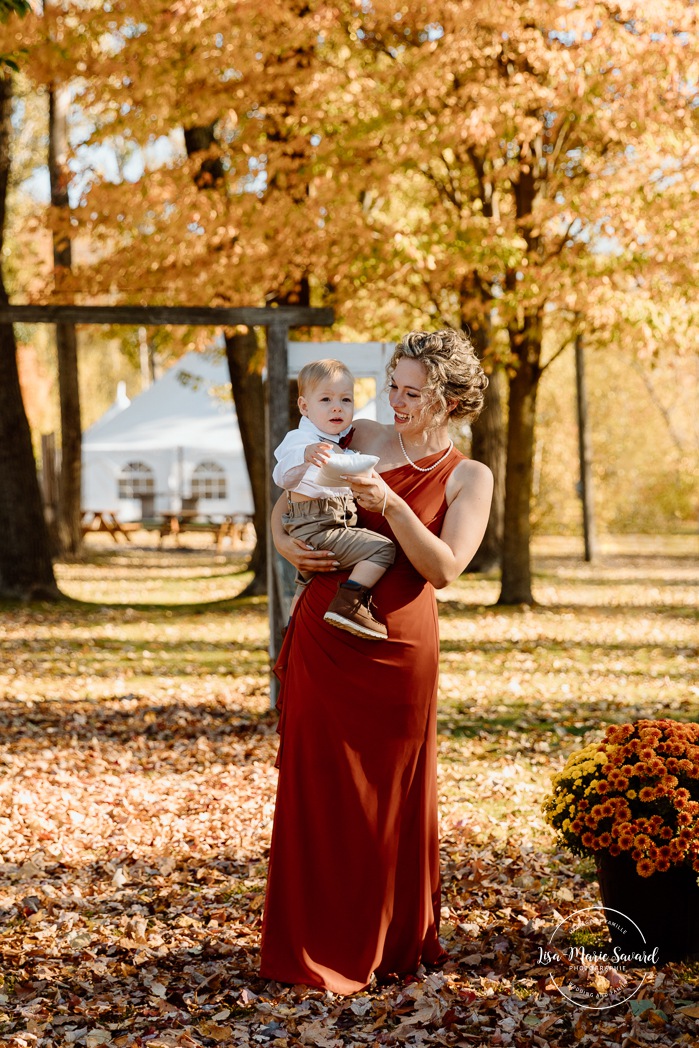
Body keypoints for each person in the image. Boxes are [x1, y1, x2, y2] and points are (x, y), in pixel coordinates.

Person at [260, 329, 494, 994]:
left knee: (388, 797)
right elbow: (285, 507)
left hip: (398, 648)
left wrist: (389, 504)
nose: (393, 401)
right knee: (316, 786)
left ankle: (386, 940)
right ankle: (308, 944)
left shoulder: (468, 477)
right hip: (324, 637)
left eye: (411, 393)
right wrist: (284, 545)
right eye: (391, 385)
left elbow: (444, 567)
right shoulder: (353, 434)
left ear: (447, 401)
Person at [273, 358, 396, 640]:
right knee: (382, 550)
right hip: (316, 523)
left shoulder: (343, 445)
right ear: (304, 407)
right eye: (326, 399)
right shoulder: (300, 440)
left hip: (328, 522)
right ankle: (349, 603)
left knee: (306, 580)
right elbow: (282, 477)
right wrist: (303, 457)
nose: (337, 407)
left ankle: (292, 628)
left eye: (346, 399)